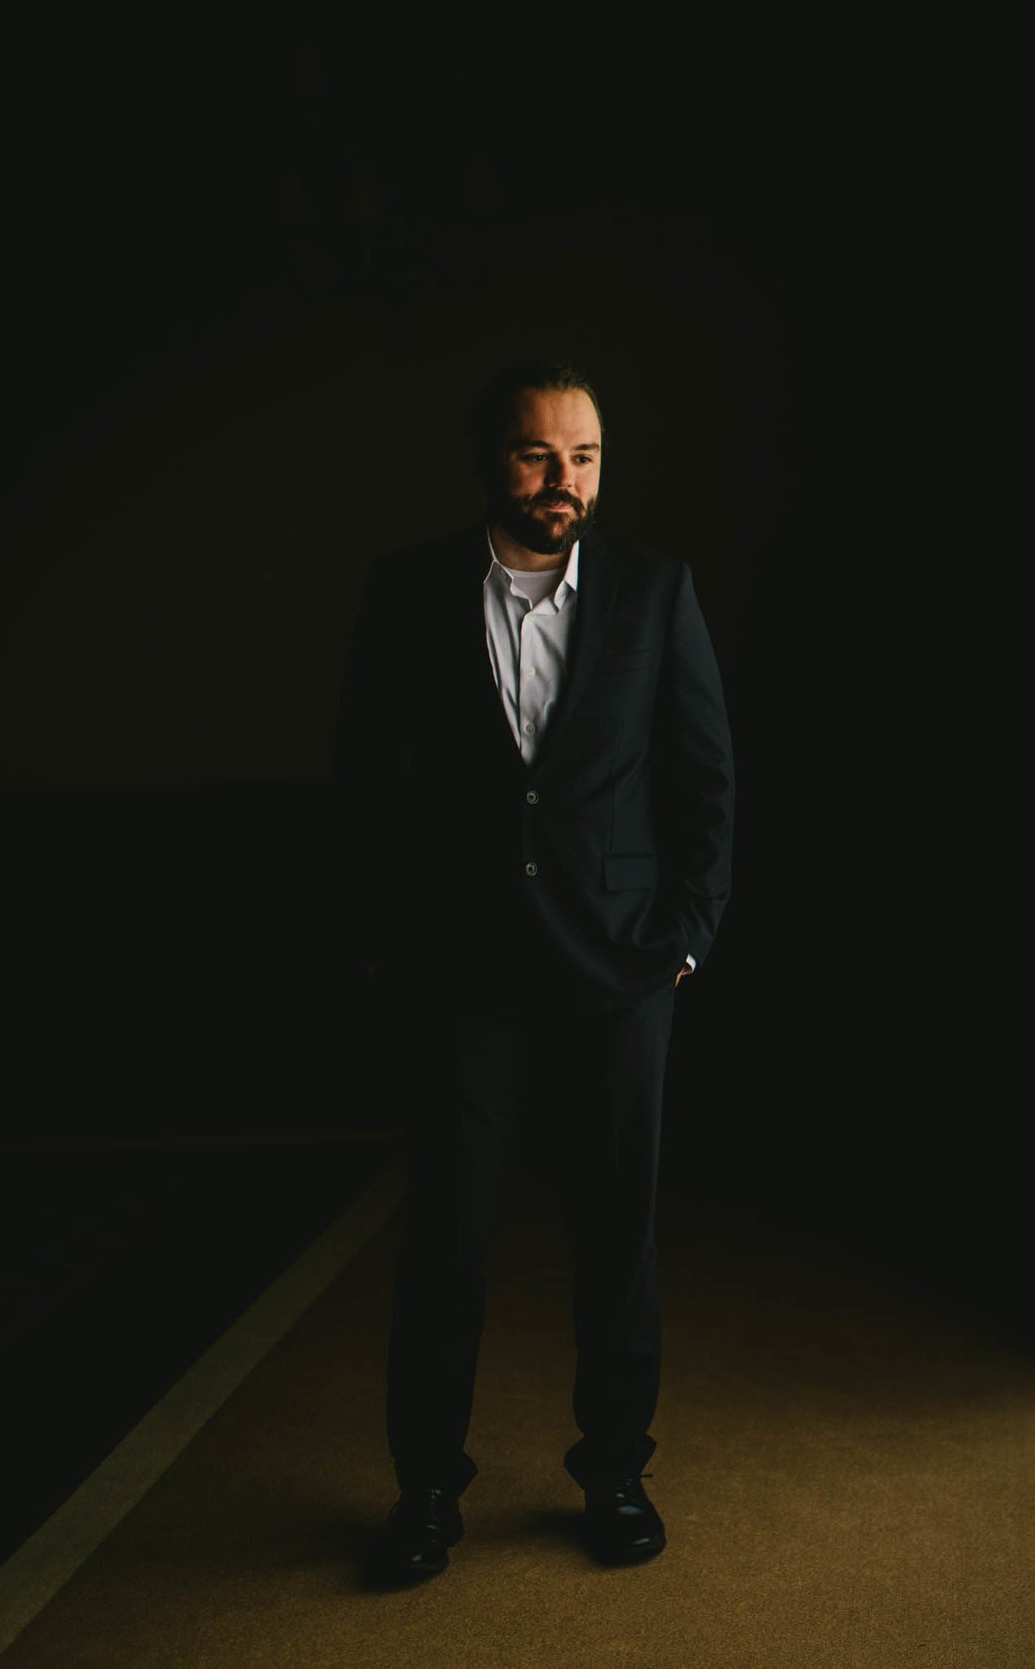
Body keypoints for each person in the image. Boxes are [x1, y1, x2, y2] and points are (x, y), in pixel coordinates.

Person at [331, 360, 736, 1581]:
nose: (565, 479)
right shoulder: (405, 593)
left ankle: (614, 1477)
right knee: (446, 1240)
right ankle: (424, 1494)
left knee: (618, 1238)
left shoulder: (656, 592)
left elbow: (704, 777)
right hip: (462, 979)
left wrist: (686, 933)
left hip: (618, 969)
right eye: (537, 454)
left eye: (586, 457)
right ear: (489, 460)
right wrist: (388, 947)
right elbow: (365, 786)